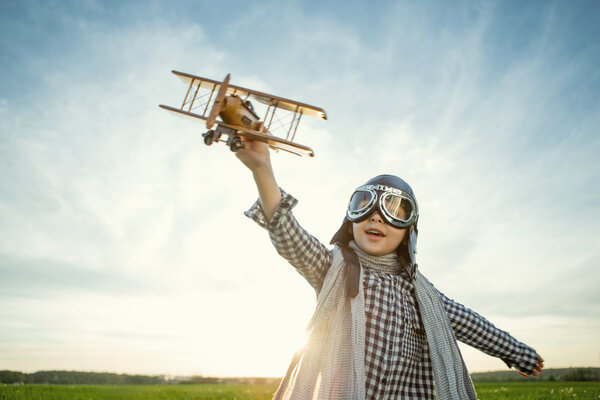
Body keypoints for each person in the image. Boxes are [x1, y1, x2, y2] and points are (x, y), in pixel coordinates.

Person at [235, 136, 544, 400]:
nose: (377, 217)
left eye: (396, 210)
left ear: (409, 230)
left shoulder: (423, 296)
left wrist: (518, 352)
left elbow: (472, 324)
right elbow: (289, 235)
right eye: (364, 205)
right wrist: (263, 168)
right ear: (351, 219)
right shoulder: (332, 269)